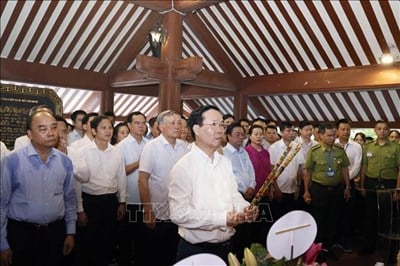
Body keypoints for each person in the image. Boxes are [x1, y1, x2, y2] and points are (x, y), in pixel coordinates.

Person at [169, 105, 258, 264]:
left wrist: (245, 208)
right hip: (196, 251)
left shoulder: (224, 162)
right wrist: (221, 219)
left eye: (222, 125)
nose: (220, 130)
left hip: (227, 248)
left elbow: (233, 194)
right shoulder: (183, 167)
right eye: (214, 124)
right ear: (196, 129)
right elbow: (179, 213)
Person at [0, 111, 76, 266]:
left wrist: (70, 231)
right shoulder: (12, 161)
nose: (51, 133)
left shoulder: (65, 161)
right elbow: (2, 204)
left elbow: (69, 198)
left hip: (55, 232)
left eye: (54, 127)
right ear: (30, 134)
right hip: (21, 233)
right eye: (43, 129)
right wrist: (2, 243)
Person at [73, 115, 127, 266]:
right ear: (94, 131)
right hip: (90, 201)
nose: (108, 131)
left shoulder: (117, 152)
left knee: (108, 241)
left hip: (111, 201)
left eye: (110, 127)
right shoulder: (82, 151)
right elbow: (77, 183)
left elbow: (121, 177)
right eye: (103, 128)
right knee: (88, 242)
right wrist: (80, 209)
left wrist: (122, 202)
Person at [138, 110, 188, 266]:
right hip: (158, 211)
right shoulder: (151, 147)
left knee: (174, 254)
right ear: (161, 126)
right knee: (155, 255)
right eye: (172, 123)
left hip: (179, 211)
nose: (177, 126)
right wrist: (148, 211)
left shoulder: (183, 146)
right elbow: (142, 180)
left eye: (179, 122)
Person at [303, 123, 351, 258]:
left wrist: (347, 187)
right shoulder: (314, 151)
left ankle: (329, 249)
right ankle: (317, 251)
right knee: (319, 220)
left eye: (333, 136)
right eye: (328, 136)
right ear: (321, 135)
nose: (331, 138)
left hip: (336, 190)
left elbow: (344, 169)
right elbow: (308, 172)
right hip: (319, 190)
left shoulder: (340, 150)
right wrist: (306, 191)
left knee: (333, 220)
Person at [358, 120, 400, 258]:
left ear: (389, 130)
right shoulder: (368, 147)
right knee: (369, 216)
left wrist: (398, 189)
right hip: (370, 184)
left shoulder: (396, 147)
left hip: (389, 185)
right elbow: (364, 167)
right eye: (379, 129)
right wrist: (362, 186)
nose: (382, 131)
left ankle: (387, 249)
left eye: (385, 129)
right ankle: (368, 246)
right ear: (375, 131)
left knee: (387, 218)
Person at [116, 112, 148, 266]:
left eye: (143, 123)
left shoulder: (149, 144)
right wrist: (140, 162)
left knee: (144, 240)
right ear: (129, 125)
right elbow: (121, 172)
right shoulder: (122, 146)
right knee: (126, 240)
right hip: (130, 200)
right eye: (137, 123)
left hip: (147, 201)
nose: (141, 126)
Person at [223, 122, 256, 260]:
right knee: (238, 230)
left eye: (243, 135)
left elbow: (250, 171)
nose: (241, 137)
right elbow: (231, 175)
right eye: (237, 134)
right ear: (228, 136)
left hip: (249, 194)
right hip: (236, 195)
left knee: (248, 229)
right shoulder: (224, 153)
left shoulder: (244, 151)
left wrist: (252, 186)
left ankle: (246, 258)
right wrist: (244, 188)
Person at [245, 125, 276, 245]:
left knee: (265, 221)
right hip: (253, 193)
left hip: (266, 192)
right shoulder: (247, 151)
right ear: (250, 136)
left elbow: (270, 172)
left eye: (260, 134)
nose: (258, 137)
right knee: (253, 224)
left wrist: (272, 188)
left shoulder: (266, 152)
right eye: (255, 134)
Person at [334, 119, 362, 253]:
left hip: (348, 183)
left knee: (348, 213)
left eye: (348, 129)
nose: (346, 132)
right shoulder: (331, 144)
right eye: (343, 129)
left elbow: (356, 166)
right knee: (334, 212)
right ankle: (333, 241)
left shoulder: (356, 146)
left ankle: (346, 241)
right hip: (332, 184)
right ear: (337, 131)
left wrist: (345, 179)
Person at [269, 122, 304, 218]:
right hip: (279, 188)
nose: (291, 133)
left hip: (293, 188)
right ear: (281, 133)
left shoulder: (297, 147)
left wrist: (298, 186)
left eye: (292, 130)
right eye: (288, 131)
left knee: (291, 217)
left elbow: (299, 168)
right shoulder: (274, 148)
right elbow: (272, 169)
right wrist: (276, 188)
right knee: (278, 217)